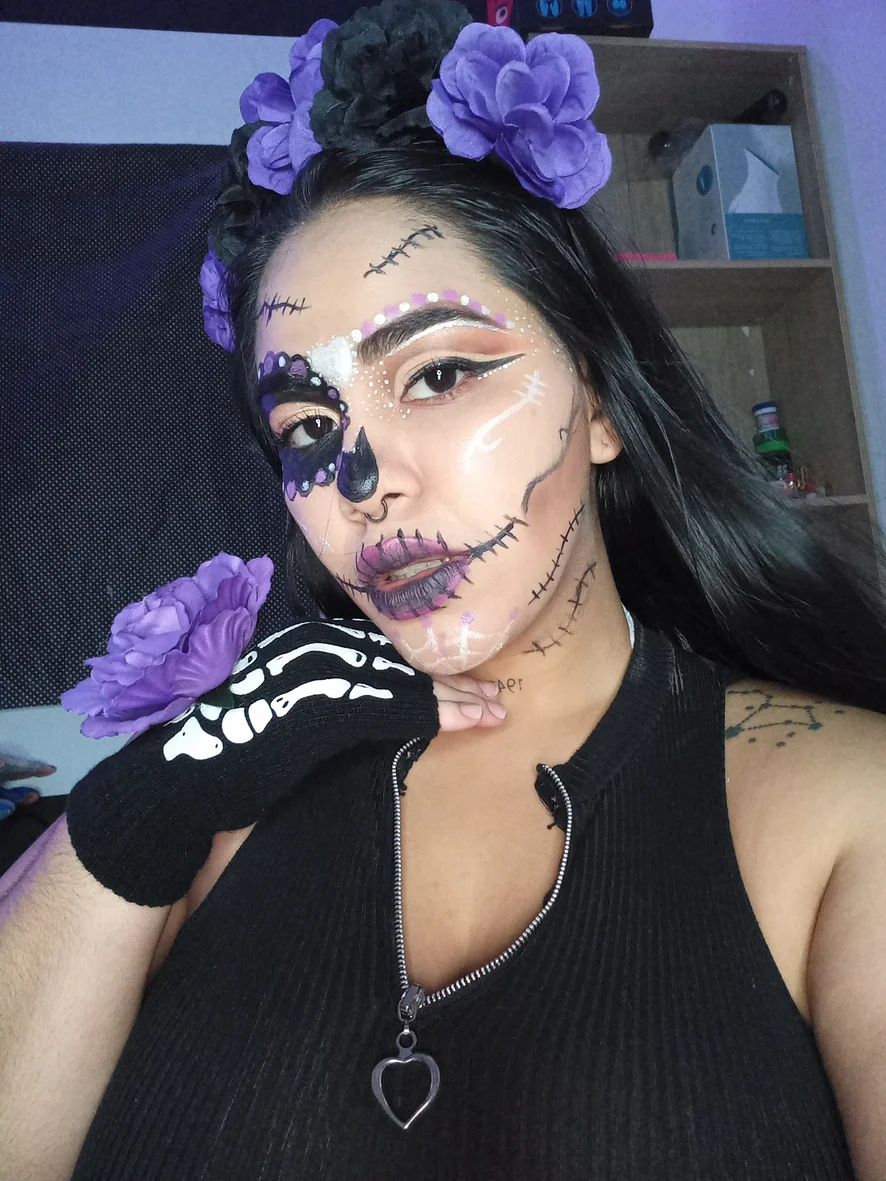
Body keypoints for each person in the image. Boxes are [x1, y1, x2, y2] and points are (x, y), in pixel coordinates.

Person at [2, 2, 885, 1177]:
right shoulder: (220, 800)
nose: (361, 483)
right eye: (308, 426)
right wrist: (148, 796)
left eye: (439, 373)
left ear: (602, 401)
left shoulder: (841, 805)